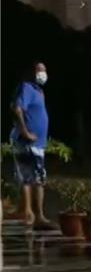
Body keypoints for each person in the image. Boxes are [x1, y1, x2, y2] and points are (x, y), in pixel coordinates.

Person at [9, 62, 53, 229]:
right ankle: (29, 213)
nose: (43, 73)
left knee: (39, 178)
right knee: (28, 177)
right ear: (32, 72)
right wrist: (25, 132)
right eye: (39, 70)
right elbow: (17, 109)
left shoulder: (38, 91)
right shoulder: (26, 87)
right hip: (25, 142)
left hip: (38, 144)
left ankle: (38, 215)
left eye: (44, 70)